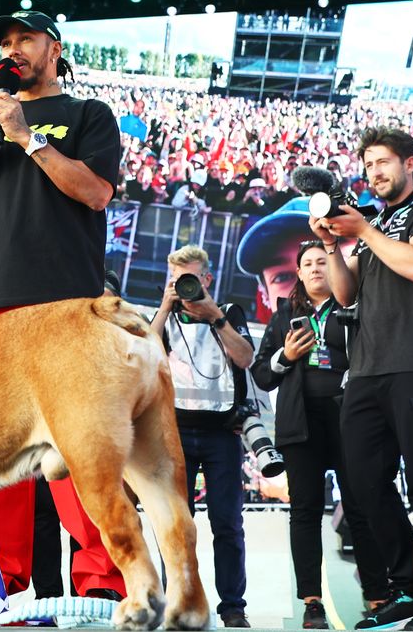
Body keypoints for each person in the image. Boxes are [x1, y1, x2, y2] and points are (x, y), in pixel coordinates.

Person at [0, 10, 124, 599]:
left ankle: (102, 585)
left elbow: (96, 193)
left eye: (25, 38)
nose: (13, 48)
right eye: (5, 41)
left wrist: (27, 136)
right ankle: (6, 586)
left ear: (54, 47)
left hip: (61, 310)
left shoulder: (87, 115)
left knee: (77, 453)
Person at [310, 126, 413, 631]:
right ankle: (405, 588)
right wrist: (333, 246)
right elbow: (344, 295)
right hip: (368, 370)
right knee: (364, 485)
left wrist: (365, 233)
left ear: (410, 163)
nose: (375, 172)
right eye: (368, 164)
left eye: (384, 162)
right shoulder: (373, 221)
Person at [249, 241, 389, 629]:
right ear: (299, 273)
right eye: (307, 264)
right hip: (300, 423)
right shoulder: (284, 316)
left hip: (351, 419)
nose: (314, 269)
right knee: (305, 510)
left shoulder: (354, 309)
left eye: (322, 262)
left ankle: (378, 596)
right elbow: (262, 374)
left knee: (361, 507)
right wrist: (286, 357)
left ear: (335, 269)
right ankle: (312, 602)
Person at [149, 245, 254, 628]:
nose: (183, 287)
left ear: (206, 279)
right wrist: (164, 307)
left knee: (227, 522)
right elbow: (145, 352)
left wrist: (216, 318)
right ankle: (176, 601)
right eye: (175, 280)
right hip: (174, 433)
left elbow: (245, 357)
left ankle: (232, 607)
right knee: (176, 524)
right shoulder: (164, 318)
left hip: (222, 434)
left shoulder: (229, 312)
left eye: (190, 279)